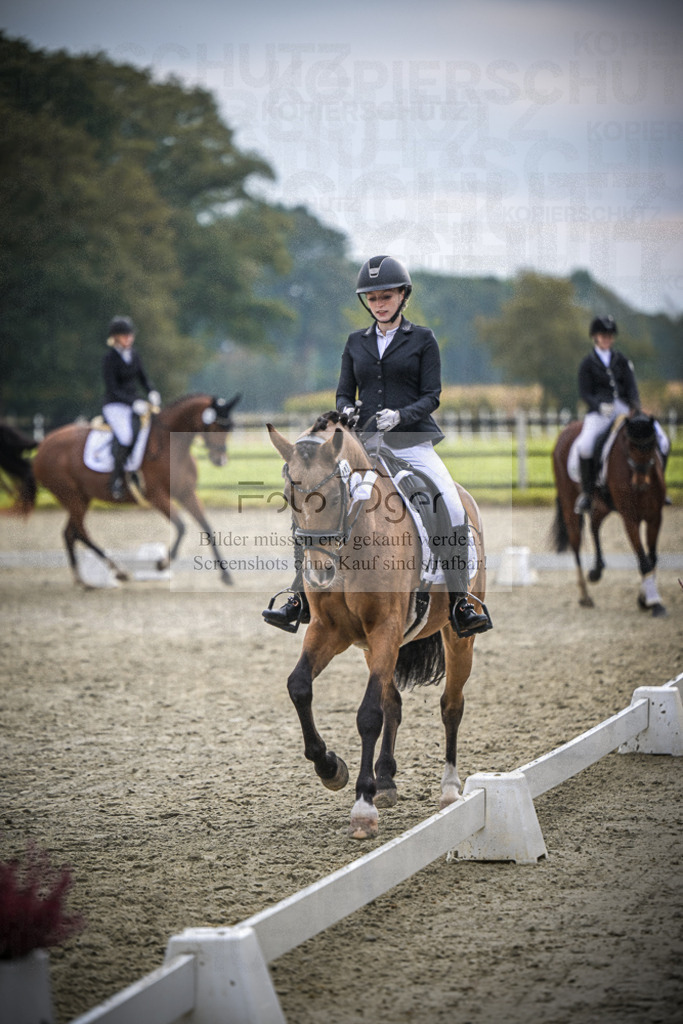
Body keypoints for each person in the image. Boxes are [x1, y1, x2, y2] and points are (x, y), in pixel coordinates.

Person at [263, 255, 492, 637]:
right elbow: (342, 391)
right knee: (316, 502)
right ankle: (298, 596)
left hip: (412, 442)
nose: (379, 304)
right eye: (372, 299)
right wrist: (347, 408)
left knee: (449, 505)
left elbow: (432, 396)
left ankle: (459, 602)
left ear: (403, 296)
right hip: (365, 447)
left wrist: (401, 416)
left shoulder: (423, 340)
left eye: (386, 296)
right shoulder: (356, 342)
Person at [574, 315, 670, 513]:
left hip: (626, 410)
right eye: (603, 335)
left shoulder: (623, 361)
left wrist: (635, 407)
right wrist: (599, 406)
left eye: (609, 335)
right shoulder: (587, 363)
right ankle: (587, 494)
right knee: (585, 446)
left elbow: (632, 388)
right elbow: (585, 393)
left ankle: (660, 487)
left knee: (663, 440)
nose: (607, 338)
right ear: (595, 337)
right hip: (600, 413)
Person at [102, 316, 160, 500]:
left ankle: (137, 471)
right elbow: (113, 388)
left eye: (130, 335)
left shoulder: (134, 355)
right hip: (115, 405)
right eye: (124, 336)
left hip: (134, 404)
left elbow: (143, 378)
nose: (128, 339)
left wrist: (151, 392)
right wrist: (133, 402)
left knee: (147, 433)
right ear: (116, 338)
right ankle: (116, 480)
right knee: (126, 436)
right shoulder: (109, 359)